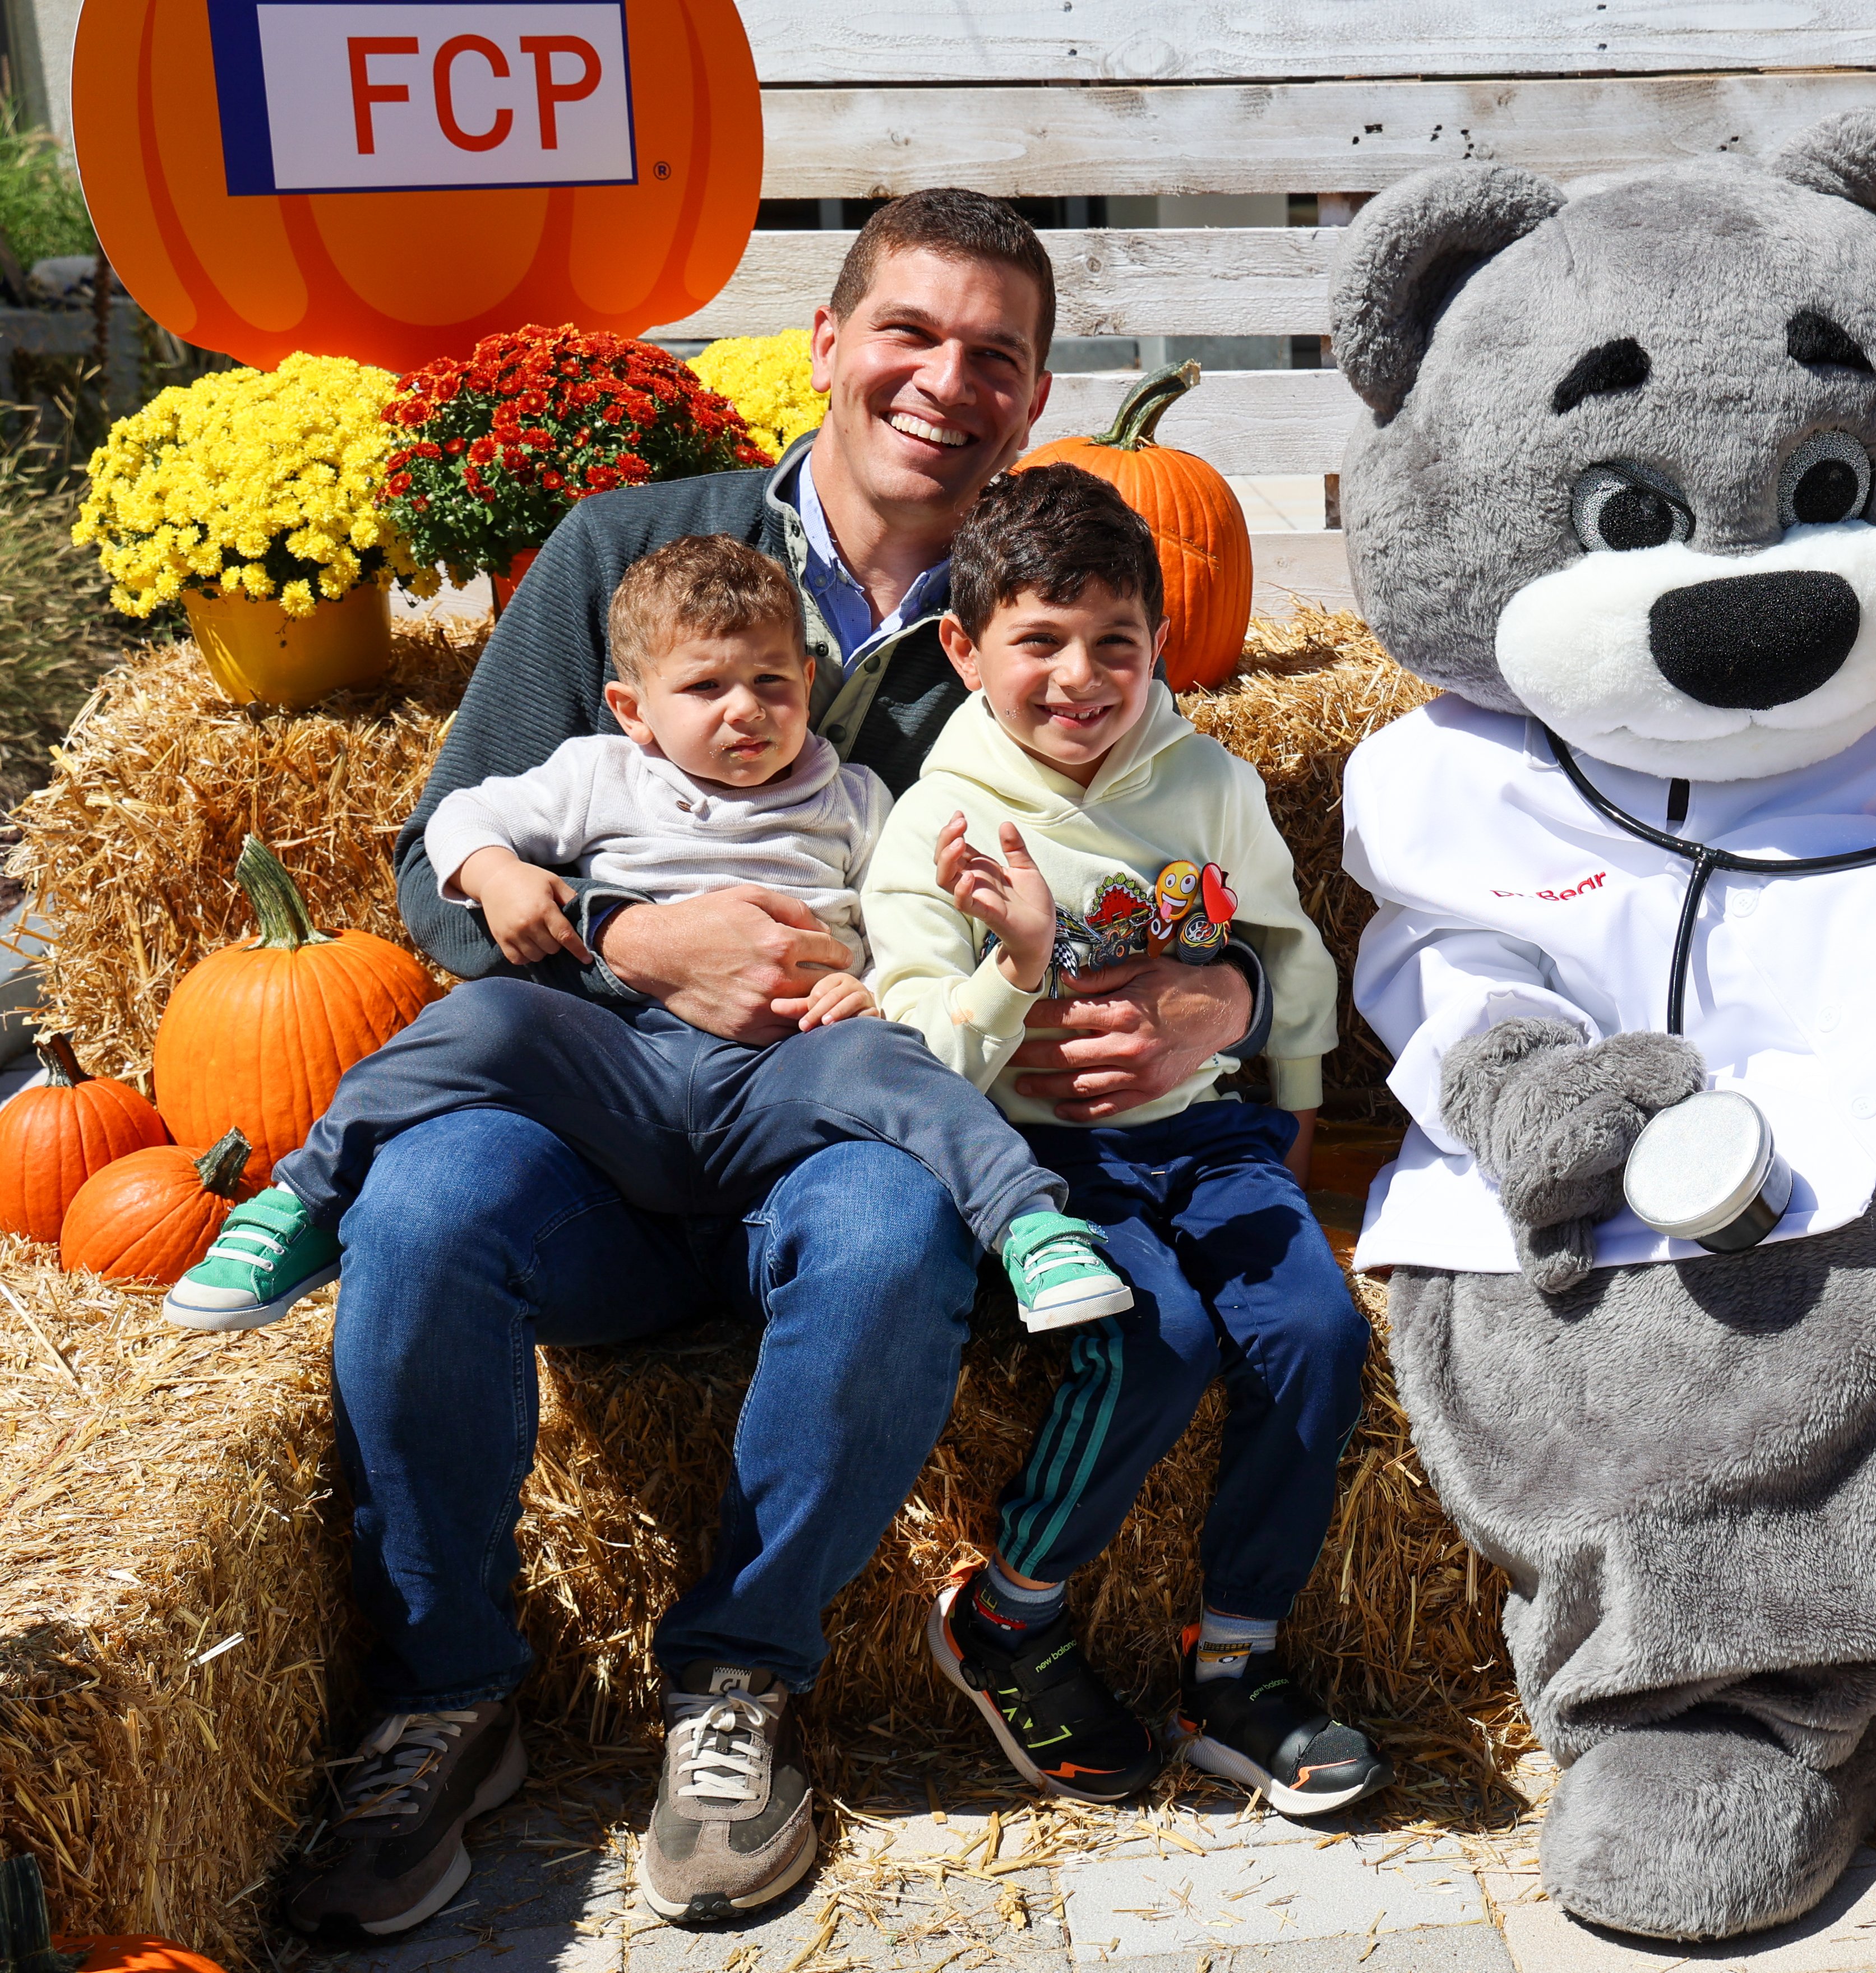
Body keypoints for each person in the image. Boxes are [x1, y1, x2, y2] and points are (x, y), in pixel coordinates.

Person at [280, 191, 1263, 1943]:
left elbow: (1189, 870)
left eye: (996, 356)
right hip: (589, 1116)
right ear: (824, 344)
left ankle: (736, 1686)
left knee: (894, 1230)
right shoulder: (625, 553)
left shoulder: (1051, 615)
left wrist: (1229, 1004)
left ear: (1032, 400)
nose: (945, 381)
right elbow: (442, 853)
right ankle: (448, 1692)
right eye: (911, 333)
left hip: (837, 1125)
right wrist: (615, 933)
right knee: (424, 1206)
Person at [163, 535, 1133, 1344]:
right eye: (705, 686)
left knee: (894, 1063)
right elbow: (458, 820)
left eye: (769, 680)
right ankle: (304, 1203)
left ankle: (1031, 1226)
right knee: (485, 1015)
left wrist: (867, 988)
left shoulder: (856, 799)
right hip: (614, 1055)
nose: (745, 709)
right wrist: (497, 875)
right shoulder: (597, 775)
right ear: (635, 711)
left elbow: (898, 923)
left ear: (807, 678)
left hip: (783, 1070)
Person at [865, 466, 1390, 1818]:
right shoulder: (938, 825)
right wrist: (1020, 967)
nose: (1083, 676)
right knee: (1156, 1337)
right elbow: (913, 1047)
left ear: (1160, 641)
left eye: (1118, 641)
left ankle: (1235, 1661)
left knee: (1318, 1334)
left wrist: (1285, 1096)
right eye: (1040, 640)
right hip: (1038, 1166)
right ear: (964, 649)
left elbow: (1281, 945)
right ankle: (1011, 1608)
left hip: (1211, 1138)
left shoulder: (1208, 781)